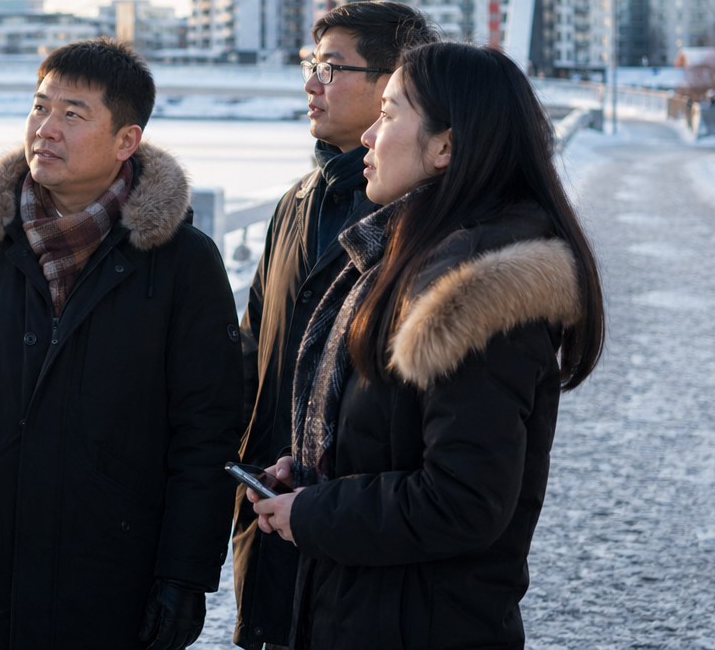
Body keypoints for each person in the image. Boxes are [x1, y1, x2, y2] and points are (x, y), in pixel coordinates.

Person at [249, 42, 605, 650]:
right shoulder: (405, 258)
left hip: (419, 623)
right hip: (364, 611)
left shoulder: (475, 291)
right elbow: (392, 438)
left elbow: (463, 499)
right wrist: (314, 477)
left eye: (388, 114)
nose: (367, 136)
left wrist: (317, 513)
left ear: (445, 147)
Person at [0, 38, 243, 650]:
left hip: (117, 571)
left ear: (126, 142)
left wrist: (185, 576)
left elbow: (209, 428)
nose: (45, 129)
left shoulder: (181, 262)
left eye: (73, 114)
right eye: (39, 107)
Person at [232, 1, 438, 650]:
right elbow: (254, 347)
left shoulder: (427, 224)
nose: (310, 83)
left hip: (368, 544)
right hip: (275, 509)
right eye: (308, 64)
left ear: (393, 84)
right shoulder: (296, 202)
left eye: (330, 66)